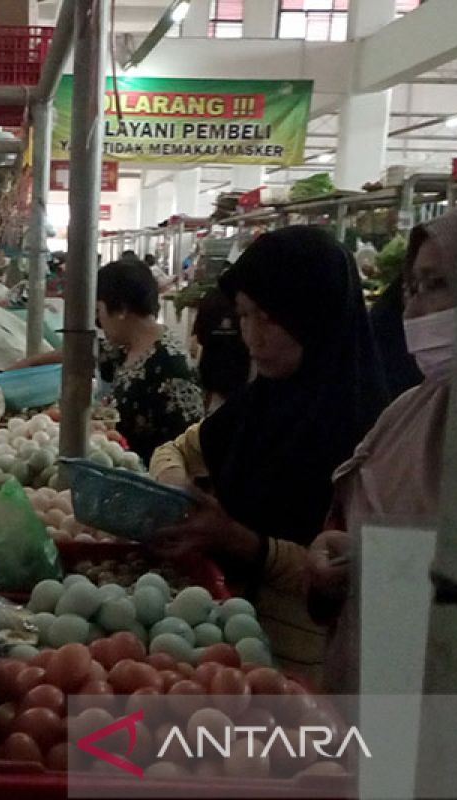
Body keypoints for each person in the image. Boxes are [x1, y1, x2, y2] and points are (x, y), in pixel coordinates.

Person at [148, 226, 388, 681]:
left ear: (313, 315)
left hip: (309, 664)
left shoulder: (370, 432)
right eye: (244, 315)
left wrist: (243, 542)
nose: (252, 337)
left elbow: (350, 578)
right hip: (225, 641)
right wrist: (174, 485)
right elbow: (176, 448)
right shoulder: (257, 406)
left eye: (269, 318)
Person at [308, 207, 457, 693]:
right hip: (372, 685)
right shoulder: (408, 410)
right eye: (411, 289)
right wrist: (332, 556)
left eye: (436, 284)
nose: (414, 311)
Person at [95, 257, 204, 462]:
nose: (99, 322)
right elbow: (85, 352)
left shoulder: (170, 365)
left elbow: (188, 450)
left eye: (99, 311)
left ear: (121, 309)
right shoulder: (126, 348)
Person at [190, 287, 251, 414]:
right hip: (238, 365)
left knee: (202, 409)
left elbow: (201, 335)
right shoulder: (246, 298)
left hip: (211, 363)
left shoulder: (210, 298)